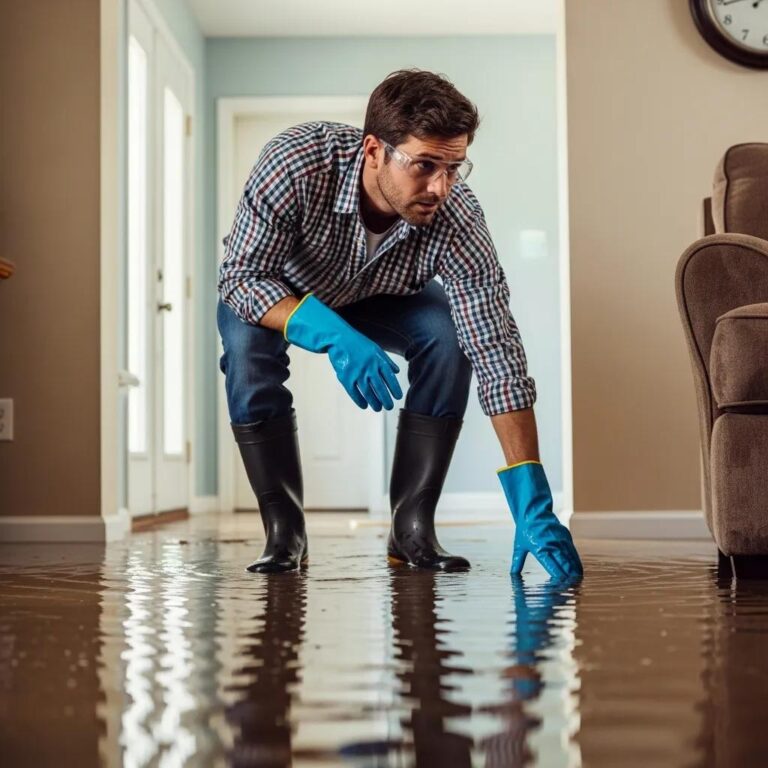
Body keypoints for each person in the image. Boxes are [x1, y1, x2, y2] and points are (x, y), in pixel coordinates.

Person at [217, 69, 583, 580]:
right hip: (281, 293)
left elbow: (495, 342)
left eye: (455, 167)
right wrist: (332, 331)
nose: (441, 187)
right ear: (374, 150)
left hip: (379, 297)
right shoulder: (297, 162)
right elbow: (240, 277)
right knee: (244, 348)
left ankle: (412, 529)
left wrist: (531, 496)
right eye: (426, 165)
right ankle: (285, 533)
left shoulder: (456, 215)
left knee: (452, 335)